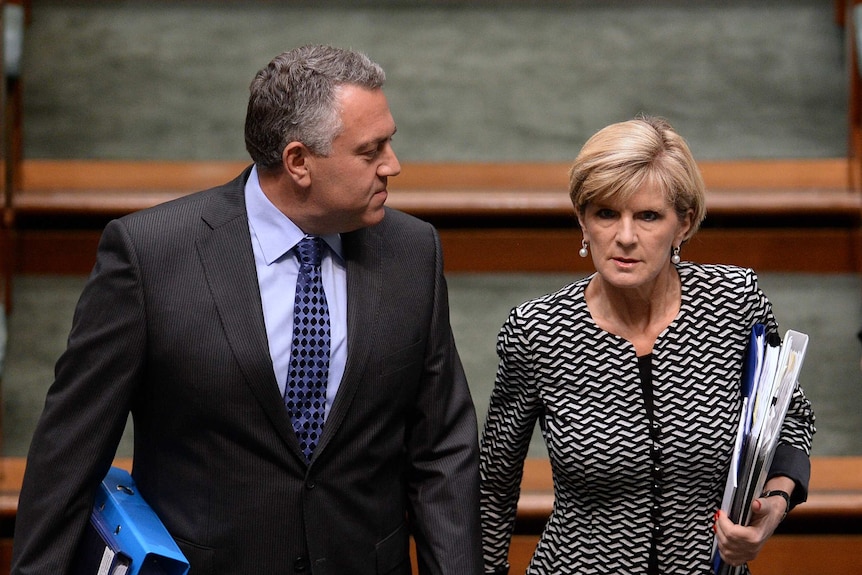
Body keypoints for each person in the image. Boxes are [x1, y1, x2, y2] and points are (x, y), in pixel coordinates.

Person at [11, 45, 484, 575]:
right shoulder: (150, 256)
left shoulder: (412, 252)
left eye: (389, 144)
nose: (392, 166)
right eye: (370, 151)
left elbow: (442, 450)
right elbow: (70, 451)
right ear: (299, 161)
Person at [479, 116, 815, 575]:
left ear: (684, 224)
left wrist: (774, 503)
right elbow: (493, 488)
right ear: (582, 221)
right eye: (605, 214)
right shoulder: (538, 332)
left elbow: (788, 416)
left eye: (648, 216)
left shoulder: (734, 303)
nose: (625, 237)